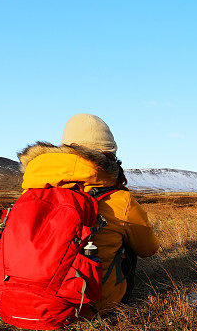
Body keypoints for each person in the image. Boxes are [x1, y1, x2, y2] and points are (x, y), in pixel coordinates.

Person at [17, 114, 160, 313]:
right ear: (109, 156)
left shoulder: (31, 191)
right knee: (128, 244)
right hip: (91, 308)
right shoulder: (120, 199)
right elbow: (148, 249)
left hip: (22, 302)